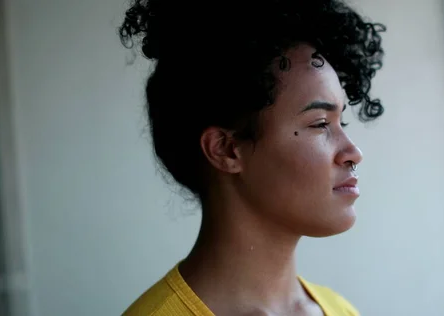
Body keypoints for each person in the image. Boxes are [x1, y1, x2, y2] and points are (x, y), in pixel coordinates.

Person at [118, 0, 386, 315]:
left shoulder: (341, 311)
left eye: (342, 121)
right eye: (320, 124)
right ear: (226, 150)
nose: (354, 153)